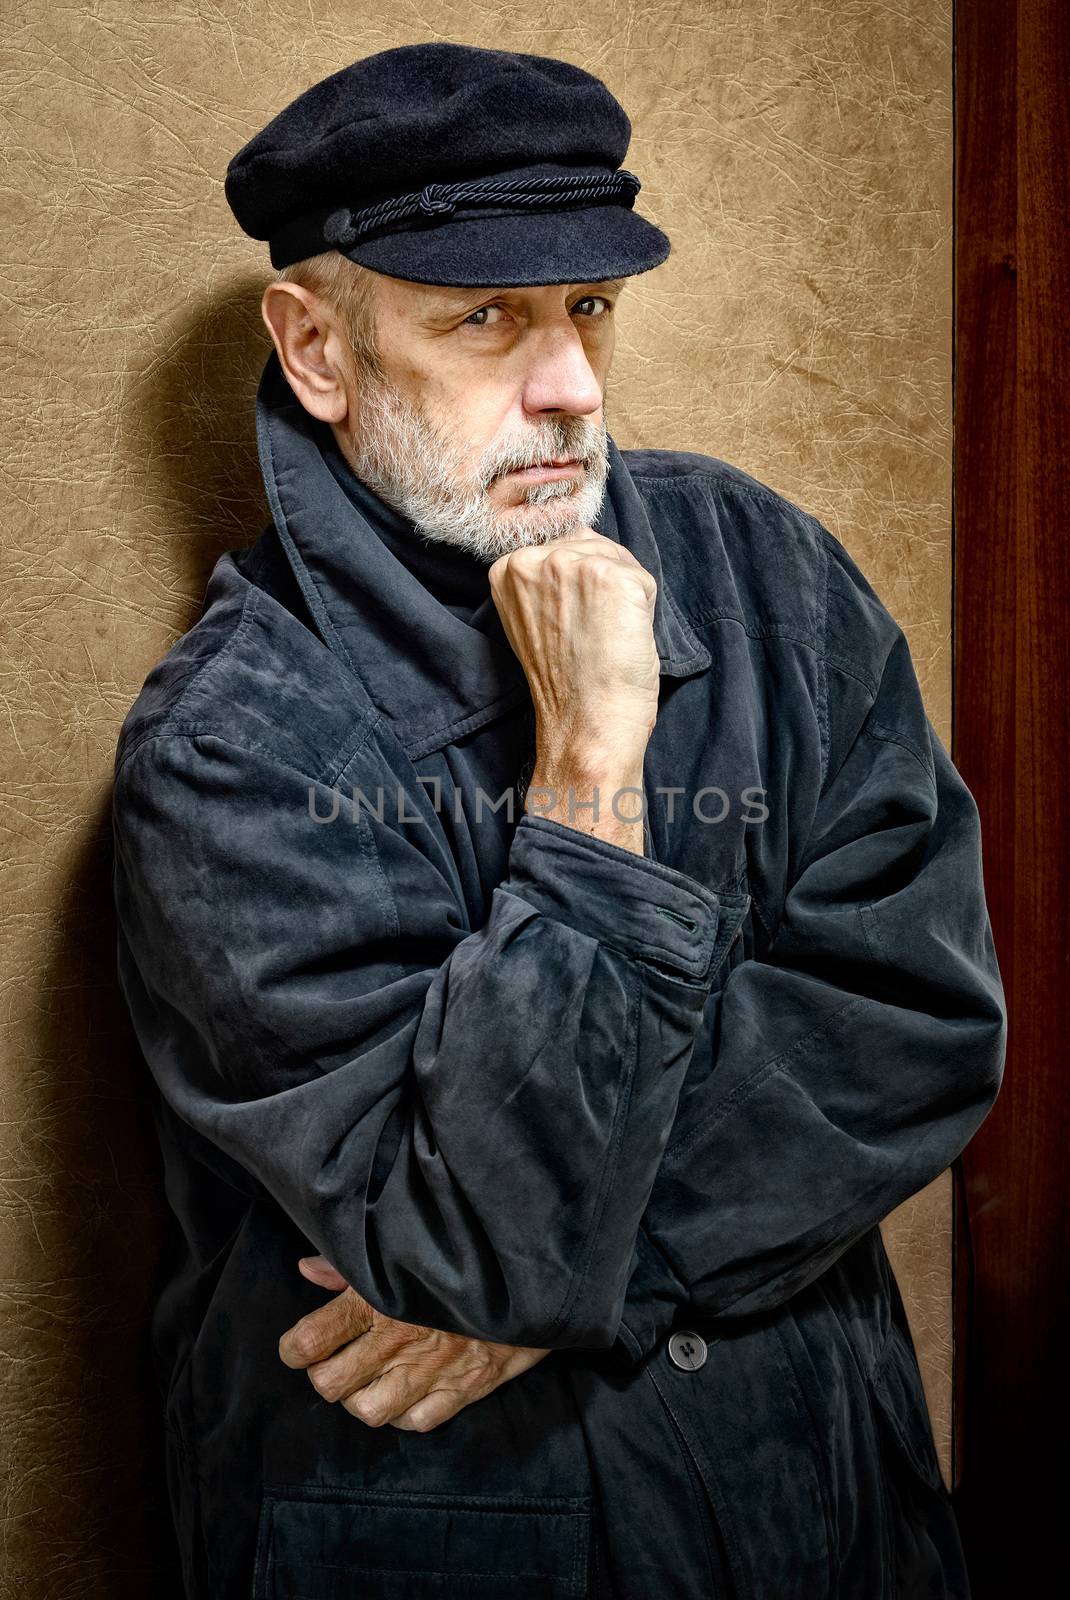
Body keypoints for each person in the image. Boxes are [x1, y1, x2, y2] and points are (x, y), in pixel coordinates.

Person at [110, 42, 1006, 1600]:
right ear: (317, 350)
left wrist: (567, 1270)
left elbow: (917, 1017)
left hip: (822, 1505)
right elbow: (470, 1242)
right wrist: (590, 769)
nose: (572, 386)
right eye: (485, 320)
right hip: (450, 1530)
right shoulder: (231, 745)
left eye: (587, 308)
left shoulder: (764, 569)